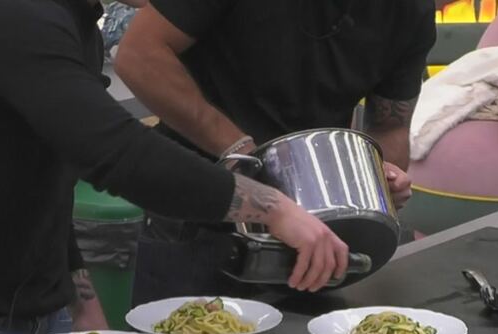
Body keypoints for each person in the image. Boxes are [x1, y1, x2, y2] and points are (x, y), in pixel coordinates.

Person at [0, 0, 349, 334]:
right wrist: (274, 208)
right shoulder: (10, 14)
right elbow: (117, 153)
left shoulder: (75, 20)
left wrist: (80, 302)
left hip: (36, 316)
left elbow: (41, 177)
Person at [114, 0, 436, 305]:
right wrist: (246, 155)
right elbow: (140, 55)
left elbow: (390, 125)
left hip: (315, 233)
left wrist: (381, 177)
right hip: (198, 216)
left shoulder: (408, 9)